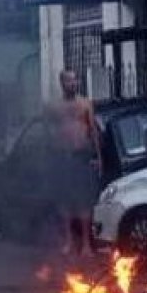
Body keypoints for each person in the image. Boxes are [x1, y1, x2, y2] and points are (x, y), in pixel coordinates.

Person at [46, 69, 103, 255]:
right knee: (65, 201)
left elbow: (93, 130)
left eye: (74, 80)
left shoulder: (85, 103)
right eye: (68, 81)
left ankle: (86, 244)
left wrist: (98, 157)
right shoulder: (54, 107)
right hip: (63, 158)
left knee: (83, 202)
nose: (72, 83)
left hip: (82, 157)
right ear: (61, 83)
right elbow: (49, 132)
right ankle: (69, 242)